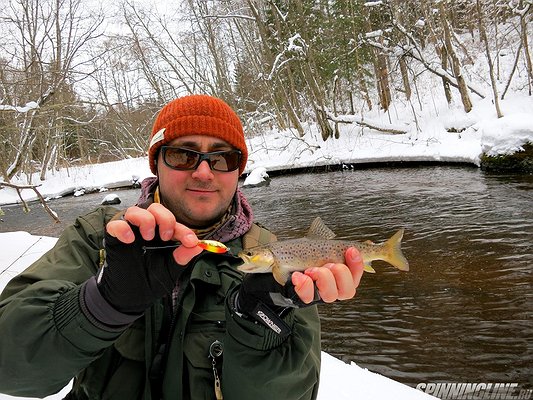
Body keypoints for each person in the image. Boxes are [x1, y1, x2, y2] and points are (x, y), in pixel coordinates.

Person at [0, 94, 364, 400]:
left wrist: (261, 329)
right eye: (183, 154)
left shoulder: (277, 258)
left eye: (222, 158)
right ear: (156, 162)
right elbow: (10, 370)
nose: (204, 172)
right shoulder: (98, 236)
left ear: (238, 170)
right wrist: (103, 304)